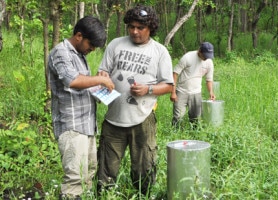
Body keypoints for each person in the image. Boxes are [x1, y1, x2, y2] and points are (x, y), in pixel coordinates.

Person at [96, 5, 174, 196]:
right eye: (131, 27)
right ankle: (105, 195)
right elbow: (103, 72)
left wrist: (147, 89)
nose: (135, 31)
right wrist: (103, 76)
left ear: (151, 28)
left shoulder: (160, 51)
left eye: (140, 28)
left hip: (143, 118)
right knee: (106, 169)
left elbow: (169, 85)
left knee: (144, 168)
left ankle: (142, 195)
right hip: (114, 118)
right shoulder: (115, 44)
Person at [47, 16, 115, 199]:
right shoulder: (60, 53)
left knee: (88, 174)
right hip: (72, 125)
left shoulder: (80, 55)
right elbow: (72, 80)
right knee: (75, 178)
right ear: (78, 36)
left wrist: (98, 86)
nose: (92, 49)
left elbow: (83, 84)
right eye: (90, 44)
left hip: (87, 124)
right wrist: (100, 79)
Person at [170, 42, 215, 127]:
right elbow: (175, 73)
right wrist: (173, 92)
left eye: (208, 56)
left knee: (196, 119)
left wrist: (211, 92)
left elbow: (209, 79)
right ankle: (175, 135)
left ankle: (195, 136)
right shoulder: (188, 57)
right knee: (178, 117)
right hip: (181, 91)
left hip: (196, 92)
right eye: (205, 55)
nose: (206, 58)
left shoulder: (209, 62)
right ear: (200, 51)